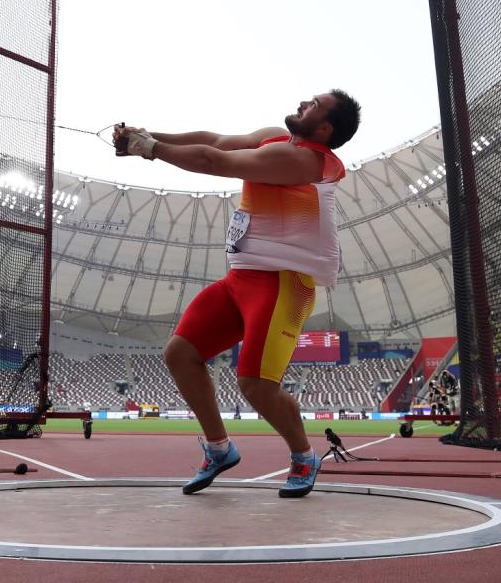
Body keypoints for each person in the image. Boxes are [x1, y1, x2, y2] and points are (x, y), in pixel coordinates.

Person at [113, 90, 361, 497]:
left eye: (313, 103)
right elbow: (214, 141)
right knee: (180, 353)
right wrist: (147, 135)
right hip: (241, 279)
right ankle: (219, 448)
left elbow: (217, 162)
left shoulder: (306, 161)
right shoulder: (274, 139)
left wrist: (150, 149)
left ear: (324, 128)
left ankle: (303, 455)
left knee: (256, 384)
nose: (302, 102)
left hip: (285, 283)